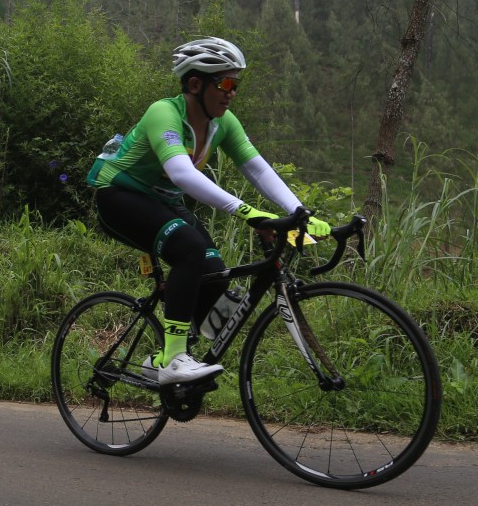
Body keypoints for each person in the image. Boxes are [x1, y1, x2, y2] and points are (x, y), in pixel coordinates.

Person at [86, 36, 330, 384]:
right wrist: (246, 212)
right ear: (195, 84)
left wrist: (300, 211)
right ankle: (173, 360)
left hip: (164, 202)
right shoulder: (164, 113)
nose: (232, 93)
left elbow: (257, 169)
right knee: (190, 248)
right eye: (225, 83)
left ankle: (163, 361)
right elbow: (181, 174)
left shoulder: (223, 123)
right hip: (119, 195)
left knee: (215, 272)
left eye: (236, 85)